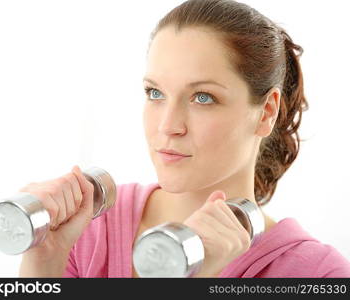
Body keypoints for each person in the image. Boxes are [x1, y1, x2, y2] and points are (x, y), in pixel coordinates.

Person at [18, 0, 350, 278]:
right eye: (155, 93)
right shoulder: (88, 230)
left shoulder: (316, 274)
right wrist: (43, 261)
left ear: (266, 113)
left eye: (202, 97)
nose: (168, 126)